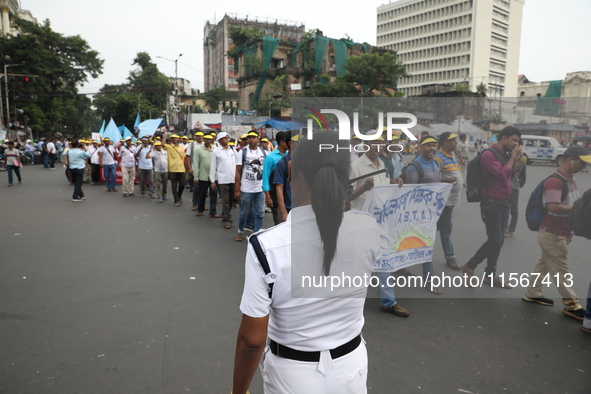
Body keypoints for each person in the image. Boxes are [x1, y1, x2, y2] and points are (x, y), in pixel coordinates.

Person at [232, 131, 381, 394]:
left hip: (292, 376)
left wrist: (238, 391)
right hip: (351, 367)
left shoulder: (266, 245)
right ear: (346, 177)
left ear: (291, 172)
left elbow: (252, 341)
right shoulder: (369, 228)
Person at [523, 145, 590, 320]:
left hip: (561, 232)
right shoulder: (555, 181)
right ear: (571, 160)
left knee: (544, 264)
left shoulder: (570, 179)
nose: (585, 167)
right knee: (561, 271)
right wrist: (578, 209)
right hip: (553, 233)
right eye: (583, 163)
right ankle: (571, 305)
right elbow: (553, 206)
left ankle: (532, 292)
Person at [347, 135, 410, 315]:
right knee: (358, 264)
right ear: (365, 145)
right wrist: (363, 188)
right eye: (373, 144)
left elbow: (381, 188)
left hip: (381, 221)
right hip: (360, 223)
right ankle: (348, 302)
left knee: (384, 260)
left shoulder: (381, 165)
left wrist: (394, 181)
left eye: (380, 144)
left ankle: (388, 301)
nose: (377, 147)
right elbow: (345, 197)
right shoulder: (355, 167)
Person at [462, 126, 522, 288]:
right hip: (491, 204)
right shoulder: (489, 155)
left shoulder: (505, 155)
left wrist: (514, 158)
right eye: (514, 140)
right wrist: (512, 158)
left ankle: (490, 275)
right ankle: (470, 266)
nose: (516, 143)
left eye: (518, 140)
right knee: (495, 240)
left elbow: (512, 173)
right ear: (504, 138)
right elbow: (502, 174)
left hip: (503, 204)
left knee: (499, 241)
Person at [405, 135, 445, 294]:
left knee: (422, 245)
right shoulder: (414, 167)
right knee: (425, 246)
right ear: (420, 147)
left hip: (431, 214)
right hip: (417, 216)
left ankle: (401, 268)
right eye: (429, 146)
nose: (432, 148)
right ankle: (429, 280)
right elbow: (409, 194)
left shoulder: (436, 164)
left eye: (435, 145)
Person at [433, 132, 464, 271]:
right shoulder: (439, 158)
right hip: (443, 200)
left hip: (450, 200)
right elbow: (432, 178)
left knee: (436, 227)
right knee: (446, 227)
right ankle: (450, 256)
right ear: (445, 143)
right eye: (453, 141)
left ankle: (414, 248)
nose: (456, 143)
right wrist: (447, 180)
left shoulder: (452, 155)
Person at [234, 131, 266, 242]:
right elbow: (238, 172)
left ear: (258, 139)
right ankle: (240, 231)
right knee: (244, 212)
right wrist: (237, 189)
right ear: (247, 139)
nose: (252, 139)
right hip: (246, 188)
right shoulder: (242, 152)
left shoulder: (263, 152)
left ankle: (257, 234)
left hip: (260, 188)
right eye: (250, 137)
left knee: (260, 212)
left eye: (254, 137)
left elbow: (266, 171)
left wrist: (267, 188)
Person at [210, 132, 236, 229]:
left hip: (233, 178)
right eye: (224, 138)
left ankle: (225, 214)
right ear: (220, 140)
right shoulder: (216, 151)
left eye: (227, 137)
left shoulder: (232, 150)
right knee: (225, 200)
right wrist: (212, 180)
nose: (226, 139)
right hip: (222, 179)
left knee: (231, 200)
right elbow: (213, 167)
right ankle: (228, 219)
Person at [262, 131, 288, 225]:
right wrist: (268, 196)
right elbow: (265, 177)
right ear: (282, 142)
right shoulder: (270, 157)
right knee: (279, 223)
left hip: (288, 194)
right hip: (275, 194)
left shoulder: (290, 155)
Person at [274, 133, 298, 223]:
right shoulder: (282, 163)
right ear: (290, 144)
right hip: (288, 209)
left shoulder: (306, 162)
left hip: (302, 209)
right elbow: (279, 187)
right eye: (297, 141)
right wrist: (283, 212)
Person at [193, 134, 219, 217]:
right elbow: (196, 164)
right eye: (206, 139)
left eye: (210, 139)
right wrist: (196, 177)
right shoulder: (198, 150)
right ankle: (200, 210)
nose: (208, 141)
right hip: (203, 176)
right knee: (202, 194)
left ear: (212, 141)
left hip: (214, 177)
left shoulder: (215, 150)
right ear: (204, 140)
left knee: (214, 195)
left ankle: (213, 211)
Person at [505, 141, 527, 238]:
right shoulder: (506, 155)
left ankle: (511, 230)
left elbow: (511, 169)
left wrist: (512, 157)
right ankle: (504, 227)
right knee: (504, 208)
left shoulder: (522, 158)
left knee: (513, 209)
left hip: (513, 186)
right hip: (504, 186)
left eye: (516, 146)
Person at [162, 134, 187, 207]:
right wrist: (165, 136)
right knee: (174, 185)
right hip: (173, 168)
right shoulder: (169, 147)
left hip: (181, 168)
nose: (175, 139)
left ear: (178, 139)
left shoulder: (181, 147)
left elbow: (184, 157)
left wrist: (186, 167)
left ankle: (178, 196)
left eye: (176, 138)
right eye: (173, 138)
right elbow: (162, 144)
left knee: (182, 184)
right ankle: (176, 200)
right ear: (171, 140)